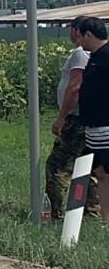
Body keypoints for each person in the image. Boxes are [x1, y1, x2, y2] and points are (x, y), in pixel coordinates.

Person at [47, 17, 99, 220]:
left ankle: (54, 212)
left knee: (57, 167)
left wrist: (61, 118)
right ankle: (91, 213)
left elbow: (75, 87)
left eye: (70, 29)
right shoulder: (94, 54)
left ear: (77, 31)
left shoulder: (80, 54)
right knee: (91, 167)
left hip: (75, 119)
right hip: (89, 120)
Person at [74, 16, 109, 222]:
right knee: (99, 173)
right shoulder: (95, 56)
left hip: (105, 128)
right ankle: (104, 218)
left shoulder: (106, 56)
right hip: (93, 130)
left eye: (80, 36)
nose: (79, 41)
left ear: (89, 34)